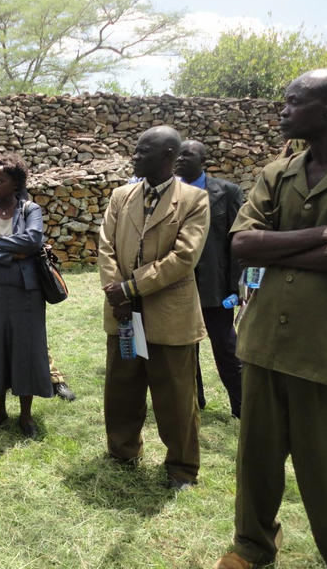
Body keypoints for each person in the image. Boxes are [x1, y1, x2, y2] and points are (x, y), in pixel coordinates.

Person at [213, 69, 327, 569]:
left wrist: (277, 250)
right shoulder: (278, 173)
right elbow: (242, 243)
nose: (283, 111)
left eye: (294, 102)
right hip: (265, 341)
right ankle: (252, 545)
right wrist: (322, 235)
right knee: (256, 461)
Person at [98, 125, 209, 489]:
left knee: (175, 395)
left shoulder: (194, 200)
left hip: (169, 313)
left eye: (143, 151)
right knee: (121, 386)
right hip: (123, 311)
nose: (135, 156)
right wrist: (118, 293)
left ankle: (181, 468)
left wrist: (131, 286)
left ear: (168, 157)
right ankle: (122, 450)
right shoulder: (121, 196)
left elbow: (184, 258)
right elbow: (106, 248)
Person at [0, 137, 76, 401]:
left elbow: (32, 240)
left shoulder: (22, 199)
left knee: (29, 343)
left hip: (24, 284)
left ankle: (52, 380)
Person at [0, 153, 52, 439]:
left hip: (26, 293)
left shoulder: (31, 210)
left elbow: (32, 240)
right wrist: (10, 253)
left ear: (15, 183)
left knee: (25, 350)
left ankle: (26, 416)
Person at [174, 140, 243, 418]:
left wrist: (237, 288)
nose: (180, 158)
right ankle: (194, 402)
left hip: (217, 290)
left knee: (227, 349)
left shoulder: (227, 192)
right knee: (186, 351)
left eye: (187, 154)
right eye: (177, 154)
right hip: (180, 286)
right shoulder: (170, 193)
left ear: (204, 158)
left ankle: (243, 406)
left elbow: (238, 242)